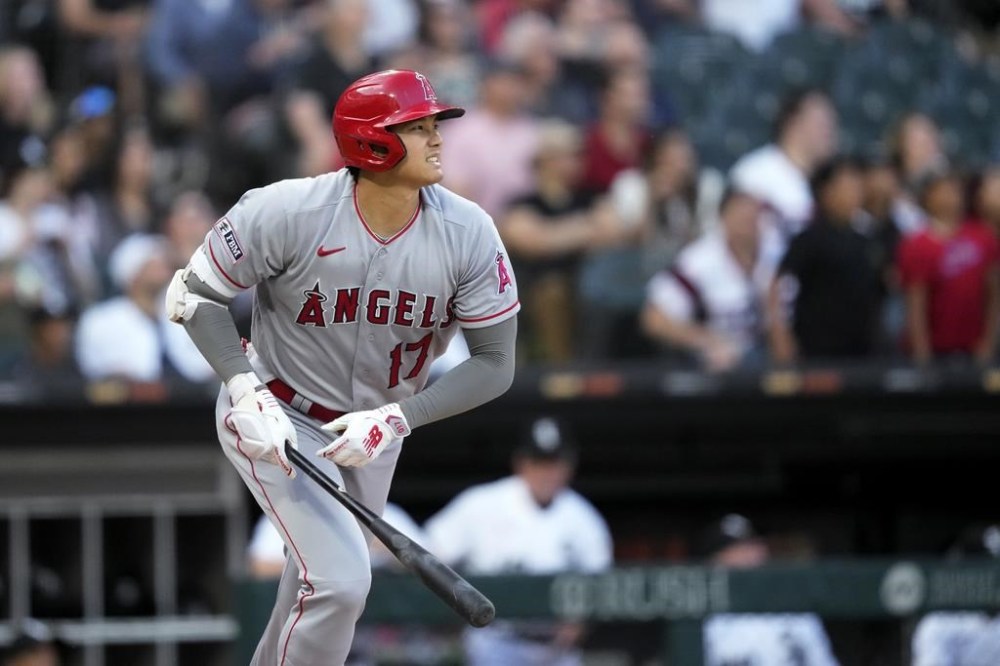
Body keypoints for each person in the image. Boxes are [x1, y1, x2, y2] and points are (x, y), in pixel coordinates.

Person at [165, 69, 519, 665]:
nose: (437, 139)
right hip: (274, 412)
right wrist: (244, 387)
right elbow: (194, 295)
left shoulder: (469, 233)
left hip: (374, 432)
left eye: (436, 125)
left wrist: (397, 420)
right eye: (418, 126)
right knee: (340, 582)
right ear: (371, 141)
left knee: (307, 593)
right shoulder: (287, 209)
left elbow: (496, 362)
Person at [424, 415, 613, 666]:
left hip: (556, 651)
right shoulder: (482, 504)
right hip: (495, 644)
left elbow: (601, 583)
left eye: (556, 463)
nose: (549, 472)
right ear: (521, 463)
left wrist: (579, 622)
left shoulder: (583, 518)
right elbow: (429, 551)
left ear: (570, 466)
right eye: (540, 462)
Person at [641, 188, 782, 372]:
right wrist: (706, 340)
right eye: (741, 213)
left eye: (754, 214)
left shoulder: (777, 254)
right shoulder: (700, 261)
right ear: (723, 217)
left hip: (768, 357)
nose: (749, 221)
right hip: (715, 367)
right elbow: (653, 319)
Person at [768, 157, 883, 363]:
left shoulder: (868, 239)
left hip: (863, 349)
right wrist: (781, 336)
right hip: (817, 350)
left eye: (857, 185)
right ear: (825, 192)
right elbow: (779, 285)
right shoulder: (809, 239)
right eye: (846, 185)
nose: (855, 192)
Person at [699, 513, 841, 666]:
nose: (748, 557)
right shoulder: (703, 621)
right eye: (735, 552)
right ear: (713, 563)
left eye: (751, 547)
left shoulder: (796, 612)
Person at [896, 168, 1000, 365]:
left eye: (954, 189)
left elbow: (994, 294)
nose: (950, 195)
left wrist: (989, 342)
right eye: (942, 190)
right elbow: (916, 304)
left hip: (975, 348)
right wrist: (922, 353)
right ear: (927, 197)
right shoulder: (916, 244)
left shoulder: (983, 238)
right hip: (936, 350)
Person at [729, 89, 839, 242]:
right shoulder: (756, 173)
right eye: (822, 124)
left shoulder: (824, 185)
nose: (830, 133)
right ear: (793, 123)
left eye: (831, 125)